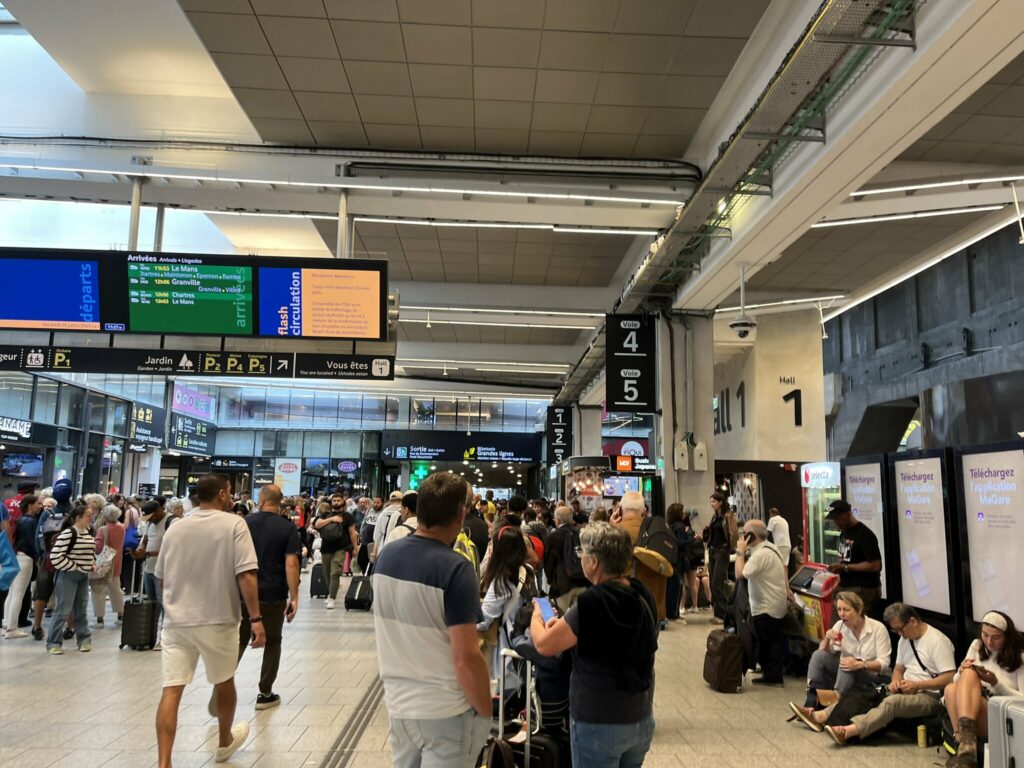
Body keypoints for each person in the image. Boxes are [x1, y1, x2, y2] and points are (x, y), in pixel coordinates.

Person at [372, 473, 490, 767]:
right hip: (444, 711)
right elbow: (466, 657)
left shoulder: (387, 557)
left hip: (399, 706)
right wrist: (486, 709)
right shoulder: (456, 569)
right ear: (461, 514)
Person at [154, 474, 265, 768]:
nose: (231, 497)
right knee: (224, 681)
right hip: (219, 618)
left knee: (172, 690)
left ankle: (164, 762)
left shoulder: (176, 528)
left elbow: (162, 576)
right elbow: (247, 574)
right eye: (229, 492)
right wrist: (256, 618)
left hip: (177, 621)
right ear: (220, 495)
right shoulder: (234, 524)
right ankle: (224, 741)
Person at [531, 522, 658, 767]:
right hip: (640, 715)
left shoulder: (591, 603)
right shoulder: (642, 594)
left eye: (582, 555)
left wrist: (538, 613)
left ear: (595, 562)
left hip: (598, 720)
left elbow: (545, 644)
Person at [823, 603, 955, 746]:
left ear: (913, 621)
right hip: (906, 688)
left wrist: (917, 685)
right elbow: (898, 669)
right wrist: (896, 682)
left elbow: (949, 677)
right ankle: (827, 716)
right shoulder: (905, 639)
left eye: (900, 629)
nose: (899, 634)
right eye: (896, 630)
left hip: (931, 695)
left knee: (893, 703)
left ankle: (849, 731)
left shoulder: (937, 641)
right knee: (868, 692)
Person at [235, 484, 300, 710]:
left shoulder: (244, 523)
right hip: (273, 594)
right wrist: (294, 597)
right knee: (273, 641)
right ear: (280, 502)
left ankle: (222, 685)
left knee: (238, 641)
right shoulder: (287, 528)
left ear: (261, 500)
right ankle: (265, 693)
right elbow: (291, 563)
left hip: (242, 594)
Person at [789, 591, 891, 728]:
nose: (842, 614)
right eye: (839, 609)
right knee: (818, 656)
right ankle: (810, 703)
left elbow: (884, 664)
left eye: (846, 610)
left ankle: (830, 706)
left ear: (859, 610)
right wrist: (826, 638)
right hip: (846, 672)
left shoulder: (878, 629)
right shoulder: (840, 625)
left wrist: (861, 664)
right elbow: (824, 652)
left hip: (870, 676)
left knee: (847, 663)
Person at [943, 611, 1024, 767]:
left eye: (996, 637)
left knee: (964, 679)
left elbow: (1022, 701)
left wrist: (995, 683)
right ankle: (965, 748)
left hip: (1001, 716)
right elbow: (956, 682)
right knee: (951, 688)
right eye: (985, 635)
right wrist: (961, 670)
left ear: (1007, 637)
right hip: (975, 712)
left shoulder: (1019, 657)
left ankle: (964, 747)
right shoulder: (976, 645)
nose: (989, 642)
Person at [477, 525, 537, 678]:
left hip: (506, 650)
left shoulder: (501, 581)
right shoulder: (527, 571)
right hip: (525, 641)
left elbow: (484, 620)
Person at [735, 519, 789, 685]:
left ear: (752, 536)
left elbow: (739, 574)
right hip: (775, 603)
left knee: (766, 639)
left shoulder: (761, 554)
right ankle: (770, 670)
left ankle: (772, 674)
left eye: (745, 534)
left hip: (767, 606)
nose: (742, 537)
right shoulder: (771, 547)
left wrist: (740, 552)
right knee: (770, 639)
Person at [612, 491, 669, 624]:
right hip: (653, 609)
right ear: (644, 511)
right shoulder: (658, 533)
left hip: (622, 606)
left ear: (619, 509)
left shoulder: (614, 532)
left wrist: (610, 527)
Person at [46, 504, 96, 654]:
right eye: (88, 515)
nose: (90, 518)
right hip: (67, 576)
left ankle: (84, 640)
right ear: (78, 518)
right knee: (62, 611)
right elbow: (55, 557)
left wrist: (91, 563)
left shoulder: (88, 532)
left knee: (81, 610)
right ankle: (53, 643)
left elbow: (89, 552)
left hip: (83, 576)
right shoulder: (68, 533)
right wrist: (75, 566)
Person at [824, 499, 882, 615]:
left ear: (848, 514)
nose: (836, 522)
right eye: (834, 519)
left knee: (858, 627)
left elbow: (875, 565)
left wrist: (845, 567)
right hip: (845, 587)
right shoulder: (843, 533)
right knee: (839, 628)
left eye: (838, 518)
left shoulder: (864, 535)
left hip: (862, 589)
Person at [3, 495, 41, 638]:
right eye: (38, 503)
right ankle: (12, 628)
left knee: (12, 593)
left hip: (16, 556)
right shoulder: (31, 522)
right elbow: (34, 543)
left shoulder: (20, 520)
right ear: (30, 505)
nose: (40, 506)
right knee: (18, 594)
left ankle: (7, 623)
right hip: (26, 558)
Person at [314, 493, 358, 609]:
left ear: (343, 502)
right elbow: (317, 525)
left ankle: (332, 597)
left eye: (338, 500)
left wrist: (355, 547)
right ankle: (330, 593)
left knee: (335, 573)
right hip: (326, 548)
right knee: (327, 574)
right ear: (331, 502)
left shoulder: (347, 516)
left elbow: (352, 533)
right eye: (334, 501)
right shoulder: (325, 514)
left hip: (340, 548)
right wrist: (332, 519)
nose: (336, 503)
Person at [544, 505, 589, 614]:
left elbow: (549, 563)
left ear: (558, 520)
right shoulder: (582, 533)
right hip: (583, 581)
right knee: (579, 620)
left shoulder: (554, 537)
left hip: (563, 585)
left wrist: (550, 581)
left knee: (559, 618)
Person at [90, 503, 125, 627]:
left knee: (98, 590)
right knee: (116, 589)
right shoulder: (121, 528)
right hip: (117, 562)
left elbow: (98, 548)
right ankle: (120, 613)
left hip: (103, 564)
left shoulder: (103, 529)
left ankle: (100, 617)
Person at [705, 492, 736, 625]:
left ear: (720, 502)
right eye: (710, 501)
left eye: (714, 501)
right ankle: (718, 613)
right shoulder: (714, 517)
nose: (711, 504)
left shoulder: (728, 516)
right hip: (712, 550)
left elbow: (733, 533)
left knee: (718, 582)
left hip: (722, 551)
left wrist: (732, 547)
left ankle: (723, 615)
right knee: (713, 583)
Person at [665, 503, 690, 624]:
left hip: (670, 559)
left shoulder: (670, 526)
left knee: (670, 587)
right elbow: (680, 543)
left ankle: (670, 613)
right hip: (678, 560)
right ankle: (674, 615)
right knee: (676, 587)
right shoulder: (680, 527)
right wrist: (691, 539)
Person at [371, 490, 404, 564]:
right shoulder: (404, 513)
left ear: (390, 501)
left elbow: (377, 537)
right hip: (400, 549)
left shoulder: (383, 514)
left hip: (383, 549)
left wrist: (374, 553)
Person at [767, 507, 791, 575]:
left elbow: (767, 533)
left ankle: (779, 583)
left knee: (777, 566)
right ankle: (785, 583)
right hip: (787, 545)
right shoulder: (784, 520)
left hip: (780, 545)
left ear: (771, 514)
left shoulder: (772, 519)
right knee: (785, 566)